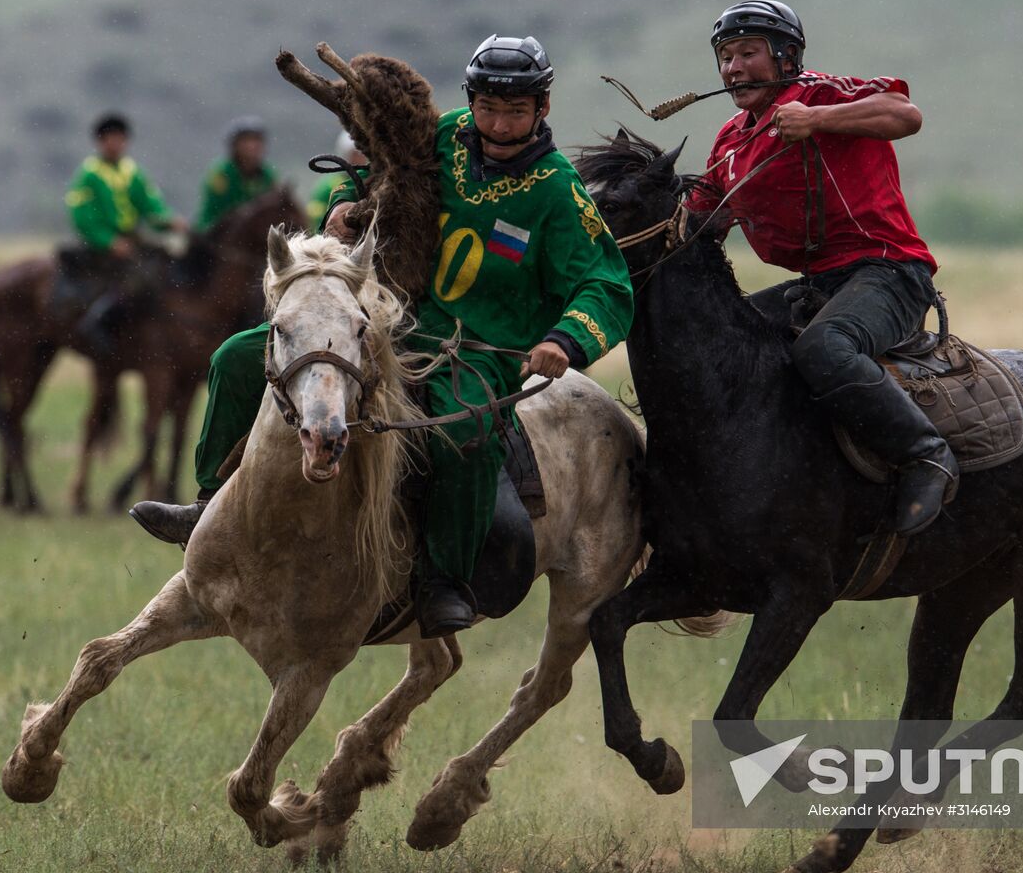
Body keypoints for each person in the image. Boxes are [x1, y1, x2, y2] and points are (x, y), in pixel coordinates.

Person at [130, 35, 633, 637]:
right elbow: (367, 174)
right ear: (470, 100)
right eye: (488, 107)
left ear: (542, 108)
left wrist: (565, 342)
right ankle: (210, 505)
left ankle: (445, 579)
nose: (499, 123)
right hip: (388, 319)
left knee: (464, 427)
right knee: (238, 356)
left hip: (474, 352)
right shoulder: (439, 135)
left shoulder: (557, 190)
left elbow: (607, 282)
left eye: (516, 110)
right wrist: (343, 207)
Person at [690, 0, 955, 536]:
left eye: (748, 52)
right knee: (722, 342)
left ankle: (927, 455)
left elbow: (906, 115)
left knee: (823, 348)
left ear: (786, 57)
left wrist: (817, 120)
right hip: (817, 285)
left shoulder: (819, 94)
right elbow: (699, 219)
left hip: (889, 272)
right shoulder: (729, 140)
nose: (733, 68)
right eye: (725, 56)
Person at [61, 113, 187, 352]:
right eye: (111, 138)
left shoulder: (132, 172)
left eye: (120, 138)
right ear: (100, 142)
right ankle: (97, 321)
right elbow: (81, 217)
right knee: (136, 276)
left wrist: (169, 221)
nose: (116, 143)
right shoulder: (89, 174)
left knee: (167, 261)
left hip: (132, 238)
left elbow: (151, 206)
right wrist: (109, 241)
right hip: (102, 245)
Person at [195, 116, 278, 232]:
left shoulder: (267, 174)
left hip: (251, 234)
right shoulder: (222, 173)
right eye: (246, 141)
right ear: (234, 145)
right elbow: (217, 211)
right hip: (214, 231)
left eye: (256, 141)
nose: (252, 146)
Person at [306, 131, 369, 232]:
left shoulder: (371, 179)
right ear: (345, 154)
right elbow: (316, 219)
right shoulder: (325, 187)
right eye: (355, 154)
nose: (360, 157)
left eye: (361, 153)